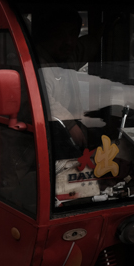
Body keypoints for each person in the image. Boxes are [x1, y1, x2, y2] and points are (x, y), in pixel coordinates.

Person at [34, 9, 101, 158]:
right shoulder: (34, 63)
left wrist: (105, 28)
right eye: (60, 35)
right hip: (34, 150)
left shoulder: (67, 57)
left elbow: (88, 44)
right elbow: (40, 98)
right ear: (46, 35)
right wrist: (70, 125)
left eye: (73, 34)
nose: (69, 41)